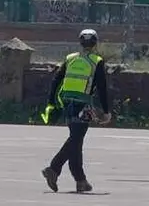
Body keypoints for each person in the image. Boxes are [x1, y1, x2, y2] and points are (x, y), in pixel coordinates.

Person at [42, 28, 111, 194]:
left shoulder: (70, 58)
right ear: (95, 44)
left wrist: (51, 102)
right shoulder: (96, 61)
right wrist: (106, 111)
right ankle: (54, 168)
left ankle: (80, 180)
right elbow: (102, 88)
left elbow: (55, 80)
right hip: (83, 105)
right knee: (76, 139)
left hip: (67, 104)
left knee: (76, 140)